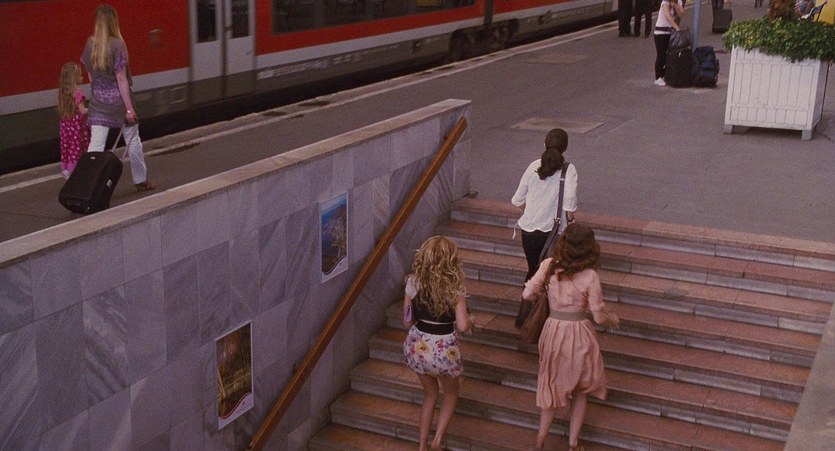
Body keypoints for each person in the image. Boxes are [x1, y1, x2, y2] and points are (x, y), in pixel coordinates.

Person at [525, 224, 620, 450]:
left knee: (550, 384)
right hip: (579, 332)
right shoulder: (591, 276)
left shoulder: (549, 266)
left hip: (552, 330)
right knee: (580, 388)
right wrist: (613, 319)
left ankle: (540, 441)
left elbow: (527, 294)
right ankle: (573, 444)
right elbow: (599, 316)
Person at [402, 235, 473, 451]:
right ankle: (437, 441)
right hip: (443, 350)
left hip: (418, 347)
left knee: (430, 394)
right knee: (450, 393)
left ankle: (422, 444)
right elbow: (463, 325)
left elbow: (406, 321)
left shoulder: (413, 283)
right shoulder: (456, 288)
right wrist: (471, 319)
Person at [81, 4, 154, 192]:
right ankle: (140, 180)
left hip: (98, 102)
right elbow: (121, 79)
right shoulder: (118, 45)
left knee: (96, 146)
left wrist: (99, 91)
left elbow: (89, 74)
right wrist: (129, 109)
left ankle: (87, 185)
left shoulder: (90, 44)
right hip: (119, 104)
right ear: (114, 22)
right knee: (133, 141)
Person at [511, 128, 578, 282]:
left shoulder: (533, 166)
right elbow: (570, 206)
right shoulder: (568, 170)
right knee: (551, 275)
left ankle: (529, 296)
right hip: (553, 231)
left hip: (528, 231)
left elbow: (517, 199)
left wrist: (531, 212)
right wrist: (571, 222)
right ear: (565, 148)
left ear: (544, 145)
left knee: (533, 272)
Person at [58, 62, 92, 179]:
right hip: (78, 126)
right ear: (74, 78)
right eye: (80, 75)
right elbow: (82, 111)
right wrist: (93, 109)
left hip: (66, 124)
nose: (82, 78)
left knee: (68, 146)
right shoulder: (78, 92)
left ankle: (66, 167)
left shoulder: (63, 91)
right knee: (78, 147)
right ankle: (74, 170)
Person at [652, 0, 685, 86]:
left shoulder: (678, 1)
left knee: (669, 55)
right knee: (661, 55)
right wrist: (677, 28)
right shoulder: (665, 2)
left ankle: (666, 75)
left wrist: (675, 6)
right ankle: (658, 77)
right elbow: (668, 17)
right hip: (660, 33)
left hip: (670, 33)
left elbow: (681, 14)